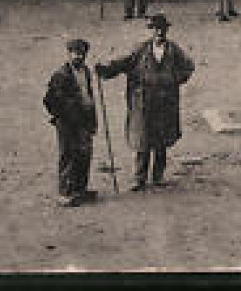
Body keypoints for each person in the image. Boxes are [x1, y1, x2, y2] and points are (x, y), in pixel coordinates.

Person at [98, 13, 195, 191]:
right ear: (152, 31)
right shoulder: (141, 49)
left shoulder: (174, 50)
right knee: (142, 140)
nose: (159, 32)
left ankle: (158, 177)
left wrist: (174, 79)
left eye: (162, 29)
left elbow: (188, 67)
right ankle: (139, 179)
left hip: (165, 103)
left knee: (162, 141)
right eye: (156, 29)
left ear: (166, 31)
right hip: (143, 102)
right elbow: (122, 63)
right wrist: (105, 70)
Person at [42, 37, 100, 207]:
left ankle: (80, 189)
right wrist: (63, 116)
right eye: (74, 54)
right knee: (68, 154)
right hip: (67, 122)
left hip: (84, 119)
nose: (78, 57)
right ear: (69, 55)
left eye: (81, 54)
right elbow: (49, 100)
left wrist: (91, 118)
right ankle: (65, 192)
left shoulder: (86, 72)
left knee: (84, 153)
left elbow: (88, 95)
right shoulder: (61, 75)